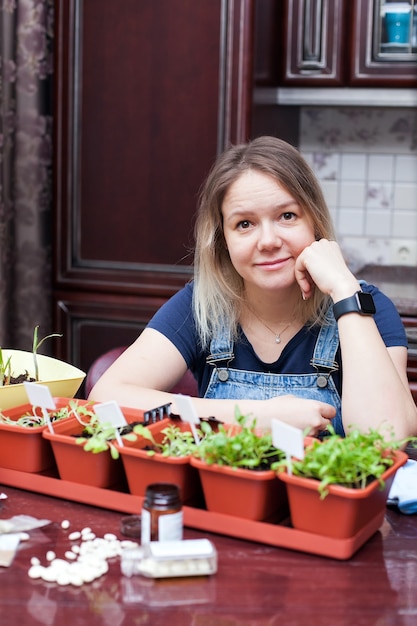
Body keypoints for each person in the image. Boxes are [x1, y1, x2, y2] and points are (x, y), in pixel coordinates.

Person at [89, 136, 417, 441]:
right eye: (244, 224)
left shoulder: (367, 307)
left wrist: (345, 289)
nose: (269, 241)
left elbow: (388, 437)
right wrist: (257, 416)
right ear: (223, 240)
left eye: (287, 215)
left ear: (314, 222)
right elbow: (107, 397)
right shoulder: (201, 305)